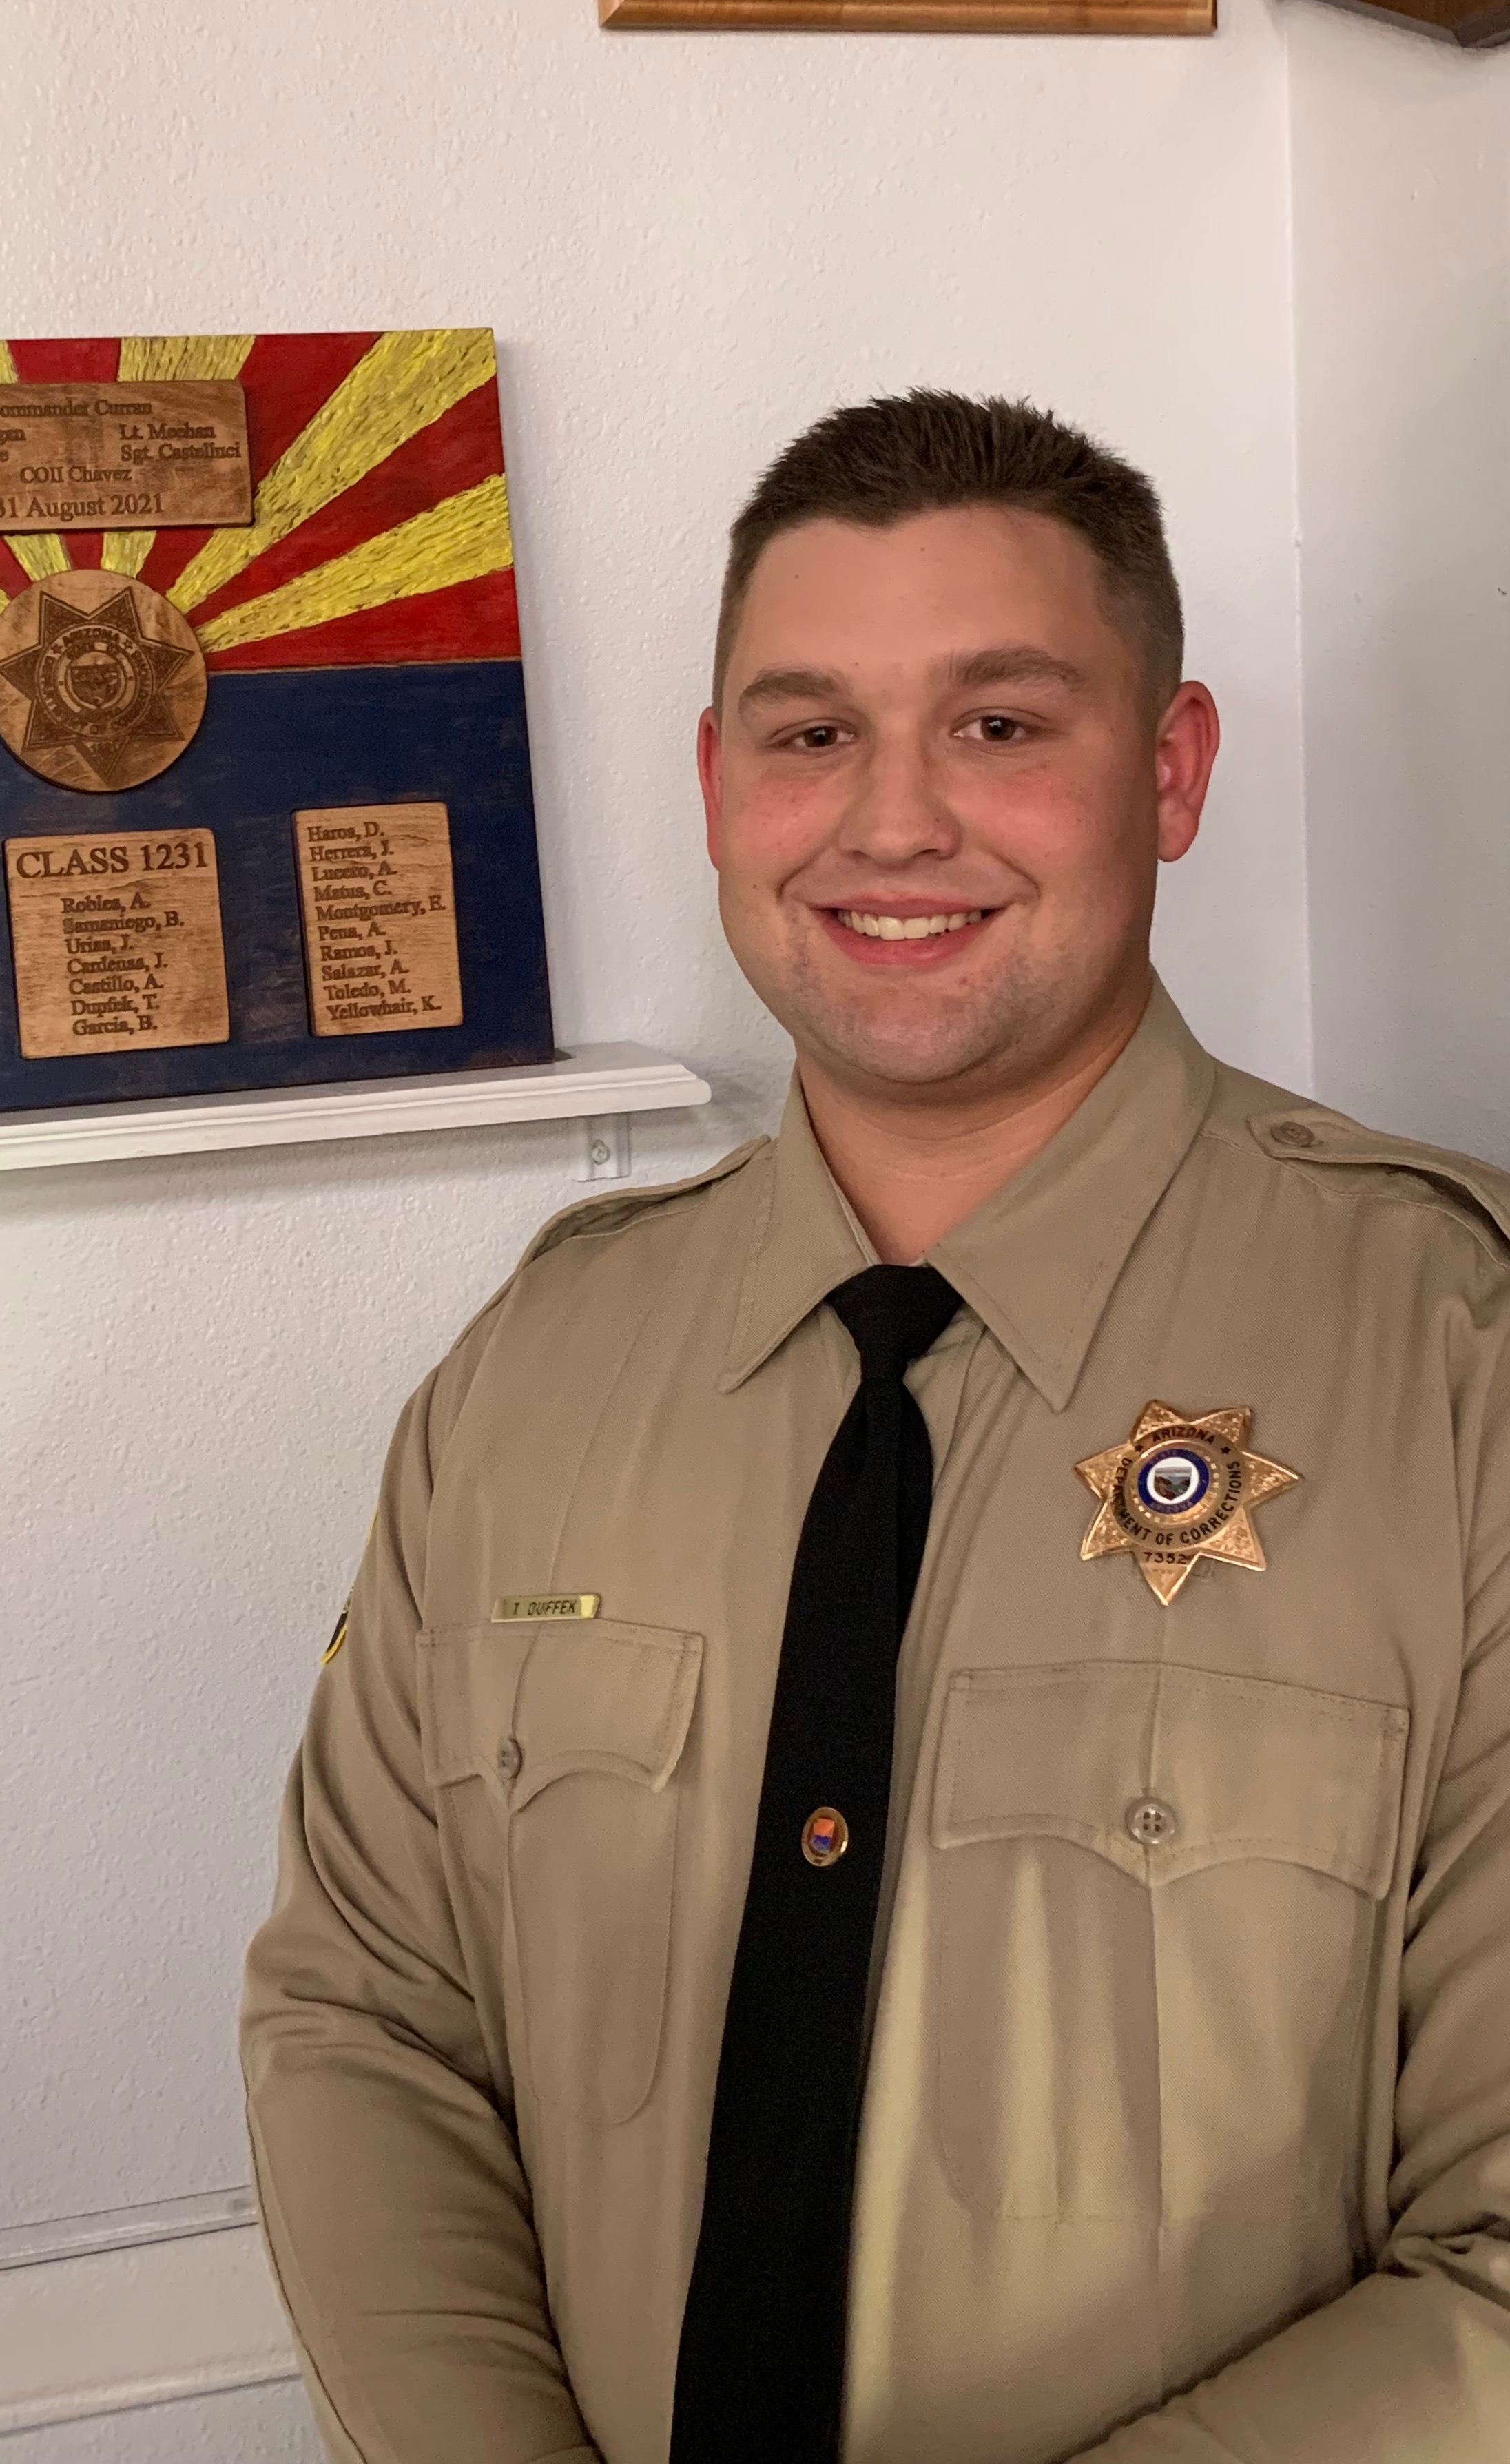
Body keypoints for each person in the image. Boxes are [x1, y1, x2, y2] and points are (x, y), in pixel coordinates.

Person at [242, 389, 1510, 2463]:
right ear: (717, 788)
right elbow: (368, 2026)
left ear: (1172, 771)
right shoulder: (531, 1377)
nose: (892, 822)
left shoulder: (1464, 1371)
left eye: (1001, 724)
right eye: (811, 731)